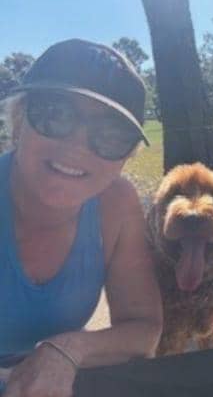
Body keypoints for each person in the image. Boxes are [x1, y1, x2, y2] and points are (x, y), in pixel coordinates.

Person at [0, 39, 162, 396]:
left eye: (111, 135)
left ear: (126, 157)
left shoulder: (117, 205)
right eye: (56, 115)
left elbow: (143, 331)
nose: (77, 147)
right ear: (19, 121)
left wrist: (68, 350)